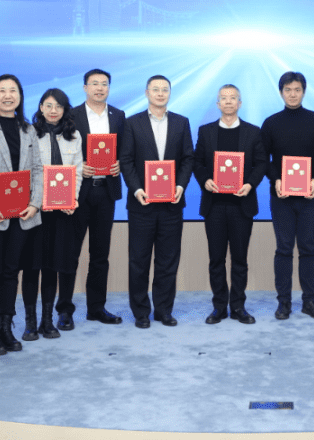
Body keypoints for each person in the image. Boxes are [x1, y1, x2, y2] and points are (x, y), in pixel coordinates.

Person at [0, 74, 43, 355]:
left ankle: (6, 325)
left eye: (13, 90)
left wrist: (35, 203)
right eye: (1, 90)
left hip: (23, 214)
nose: (7, 95)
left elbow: (37, 169)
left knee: (11, 271)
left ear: (20, 96)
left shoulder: (29, 129)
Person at [119, 75, 194, 328]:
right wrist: (137, 189)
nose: (160, 93)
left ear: (170, 93)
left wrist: (180, 186)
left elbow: (188, 158)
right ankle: (141, 312)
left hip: (172, 204)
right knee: (138, 260)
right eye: (155, 89)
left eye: (165, 89)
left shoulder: (182, 122)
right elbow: (126, 160)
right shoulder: (132, 123)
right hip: (142, 204)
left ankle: (164, 310)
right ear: (147, 92)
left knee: (168, 260)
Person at [260, 71, 314, 321]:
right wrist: (276, 179)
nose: (293, 94)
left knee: (308, 248)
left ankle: (309, 301)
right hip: (281, 197)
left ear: (304, 91)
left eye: (297, 90)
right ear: (281, 92)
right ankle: (284, 302)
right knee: (283, 249)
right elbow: (263, 158)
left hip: (309, 196)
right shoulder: (271, 123)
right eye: (288, 90)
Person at [193, 84, 267, 324]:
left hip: (241, 206)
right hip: (214, 205)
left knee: (240, 260)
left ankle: (238, 307)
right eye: (223, 98)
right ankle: (219, 307)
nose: (228, 101)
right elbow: (197, 162)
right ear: (217, 104)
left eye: (232, 98)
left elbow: (261, 163)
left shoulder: (253, 132)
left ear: (239, 103)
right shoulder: (205, 131)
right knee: (216, 260)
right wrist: (205, 180)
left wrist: (250, 184)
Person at [21, 88, 83, 341]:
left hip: (63, 212)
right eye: (48, 105)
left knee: (52, 267)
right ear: (41, 107)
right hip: (36, 211)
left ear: (65, 109)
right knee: (31, 266)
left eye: (58, 106)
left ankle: (47, 321)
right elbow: (26, 170)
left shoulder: (74, 135)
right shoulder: (29, 133)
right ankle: (30, 323)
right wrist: (35, 201)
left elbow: (77, 170)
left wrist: (72, 198)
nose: (53, 110)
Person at [67, 69, 126, 327]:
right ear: (85, 87)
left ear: (109, 88)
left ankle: (96, 308)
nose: (99, 88)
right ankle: (65, 309)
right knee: (70, 253)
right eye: (94, 83)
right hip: (79, 191)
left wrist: (120, 163)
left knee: (100, 254)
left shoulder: (119, 116)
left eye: (104, 84)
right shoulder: (71, 116)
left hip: (106, 191)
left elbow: (126, 149)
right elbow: (63, 151)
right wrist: (78, 167)